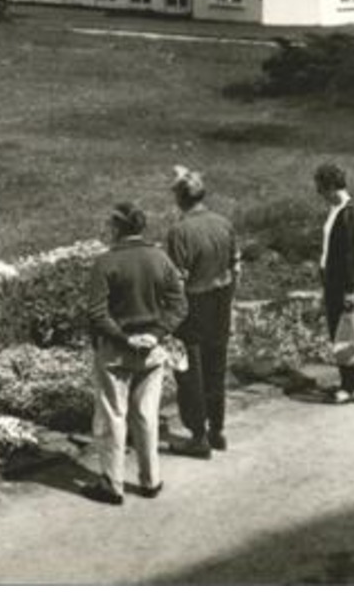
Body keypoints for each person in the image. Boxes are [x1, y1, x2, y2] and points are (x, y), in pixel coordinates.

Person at [83, 201, 188, 505]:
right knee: (146, 415)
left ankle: (112, 485)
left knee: (113, 417)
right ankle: (150, 480)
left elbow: (97, 314)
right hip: (152, 352)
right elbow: (179, 305)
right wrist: (155, 334)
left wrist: (124, 338)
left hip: (116, 352)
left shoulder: (105, 263)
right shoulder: (160, 258)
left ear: (117, 228)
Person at [165, 166, 239, 457]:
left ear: (180, 198)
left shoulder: (180, 232)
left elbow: (176, 280)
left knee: (190, 372)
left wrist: (171, 316)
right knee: (216, 367)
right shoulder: (223, 223)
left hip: (193, 306)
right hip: (221, 300)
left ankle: (198, 436)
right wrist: (229, 298)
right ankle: (217, 430)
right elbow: (235, 266)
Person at [314, 162, 354, 404]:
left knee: (344, 335)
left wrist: (351, 290)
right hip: (334, 282)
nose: (319, 194)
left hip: (344, 285)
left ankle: (350, 389)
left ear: (330, 187)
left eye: (320, 189)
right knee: (339, 334)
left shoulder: (351, 213)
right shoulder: (336, 210)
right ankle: (346, 383)